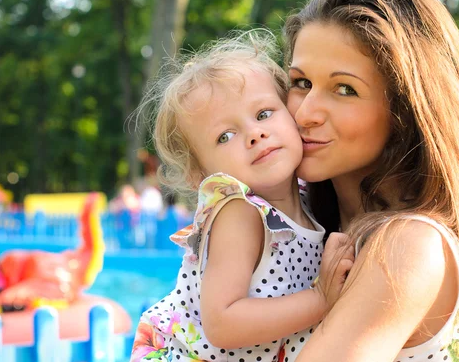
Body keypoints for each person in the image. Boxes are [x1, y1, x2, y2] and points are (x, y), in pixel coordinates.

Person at [283, 0, 459, 361]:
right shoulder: (305, 227)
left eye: (344, 89)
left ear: (406, 111)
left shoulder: (407, 247)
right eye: (300, 82)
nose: (306, 112)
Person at [130, 32, 353, 362]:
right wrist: (320, 299)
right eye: (225, 136)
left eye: (263, 114)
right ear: (200, 173)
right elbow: (223, 323)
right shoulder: (242, 213)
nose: (255, 134)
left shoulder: (308, 200)